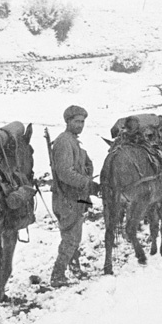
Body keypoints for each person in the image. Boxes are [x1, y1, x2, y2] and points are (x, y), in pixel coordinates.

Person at [50, 105, 99, 286]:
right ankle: (57, 275)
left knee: (75, 234)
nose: (80, 125)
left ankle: (74, 268)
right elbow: (65, 173)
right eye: (76, 121)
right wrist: (88, 184)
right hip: (67, 198)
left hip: (76, 196)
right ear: (68, 122)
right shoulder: (64, 142)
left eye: (82, 122)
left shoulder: (72, 140)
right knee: (70, 237)